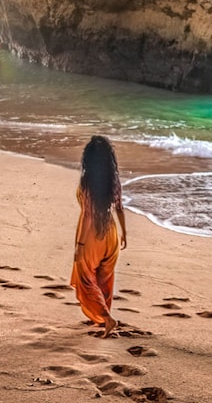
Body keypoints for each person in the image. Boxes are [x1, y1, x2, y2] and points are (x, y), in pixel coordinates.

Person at [71, 135, 128, 334]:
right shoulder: (113, 180)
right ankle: (103, 317)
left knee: (86, 278)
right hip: (111, 232)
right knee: (104, 279)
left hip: (92, 235)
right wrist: (124, 233)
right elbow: (119, 208)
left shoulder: (87, 182)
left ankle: (105, 317)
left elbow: (87, 215)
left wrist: (80, 245)